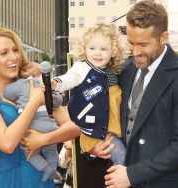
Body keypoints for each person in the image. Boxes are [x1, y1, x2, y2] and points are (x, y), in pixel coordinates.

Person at [0, 27, 79, 188]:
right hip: (6, 180)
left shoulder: (34, 85)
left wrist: (44, 139)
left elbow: (74, 128)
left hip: (40, 179)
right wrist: (34, 102)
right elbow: (7, 144)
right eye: (4, 53)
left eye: (15, 50)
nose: (13, 57)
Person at [104, 1, 178, 188]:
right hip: (118, 179)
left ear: (163, 37)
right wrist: (100, 147)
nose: (135, 51)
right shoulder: (125, 70)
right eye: (131, 43)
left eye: (143, 44)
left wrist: (132, 174)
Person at [52, 23, 126, 165]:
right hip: (96, 133)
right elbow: (70, 78)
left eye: (104, 49)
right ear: (84, 49)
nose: (97, 53)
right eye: (92, 48)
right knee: (122, 161)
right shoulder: (82, 68)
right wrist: (56, 83)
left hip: (111, 131)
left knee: (120, 163)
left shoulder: (112, 72)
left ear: (113, 52)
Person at [4, 62, 63, 182]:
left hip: (32, 125)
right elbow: (59, 100)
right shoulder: (46, 84)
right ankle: (53, 167)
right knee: (51, 150)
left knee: (31, 154)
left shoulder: (22, 83)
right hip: (49, 124)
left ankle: (46, 168)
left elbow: (6, 92)